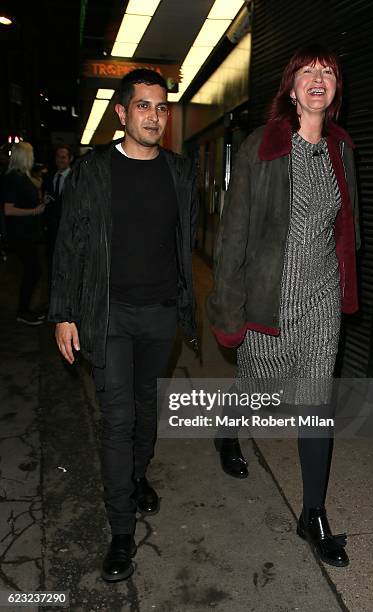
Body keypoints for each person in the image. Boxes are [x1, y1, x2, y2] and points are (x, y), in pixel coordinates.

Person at [207, 44, 360, 568]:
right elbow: (233, 237)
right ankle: (227, 431)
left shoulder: (342, 150)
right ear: (291, 90)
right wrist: (228, 310)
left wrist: (342, 286)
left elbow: (346, 230)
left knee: (316, 404)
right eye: (308, 73)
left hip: (321, 299)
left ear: (335, 90)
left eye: (328, 73)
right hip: (269, 298)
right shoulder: (261, 147)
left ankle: (312, 514)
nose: (318, 79)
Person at [48, 69, 198, 582]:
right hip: (106, 315)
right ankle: (119, 531)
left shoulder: (180, 173)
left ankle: (135, 479)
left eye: (161, 108)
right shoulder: (92, 172)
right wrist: (64, 312)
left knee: (145, 409)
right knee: (116, 420)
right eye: (143, 107)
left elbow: (185, 243)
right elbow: (70, 243)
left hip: (160, 315)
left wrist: (188, 305)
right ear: (122, 112)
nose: (154, 116)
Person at [1, 142, 45, 324]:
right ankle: (23, 311)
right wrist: (34, 211)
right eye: (31, 153)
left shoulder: (21, 176)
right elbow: (8, 209)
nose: (33, 156)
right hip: (19, 234)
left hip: (26, 233)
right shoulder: (13, 178)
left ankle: (24, 309)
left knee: (32, 271)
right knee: (33, 270)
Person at [44, 146, 73, 275]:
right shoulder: (49, 177)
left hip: (69, 232)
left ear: (70, 159)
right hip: (52, 232)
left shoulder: (76, 179)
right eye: (58, 157)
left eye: (63, 157)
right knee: (52, 266)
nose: (60, 160)